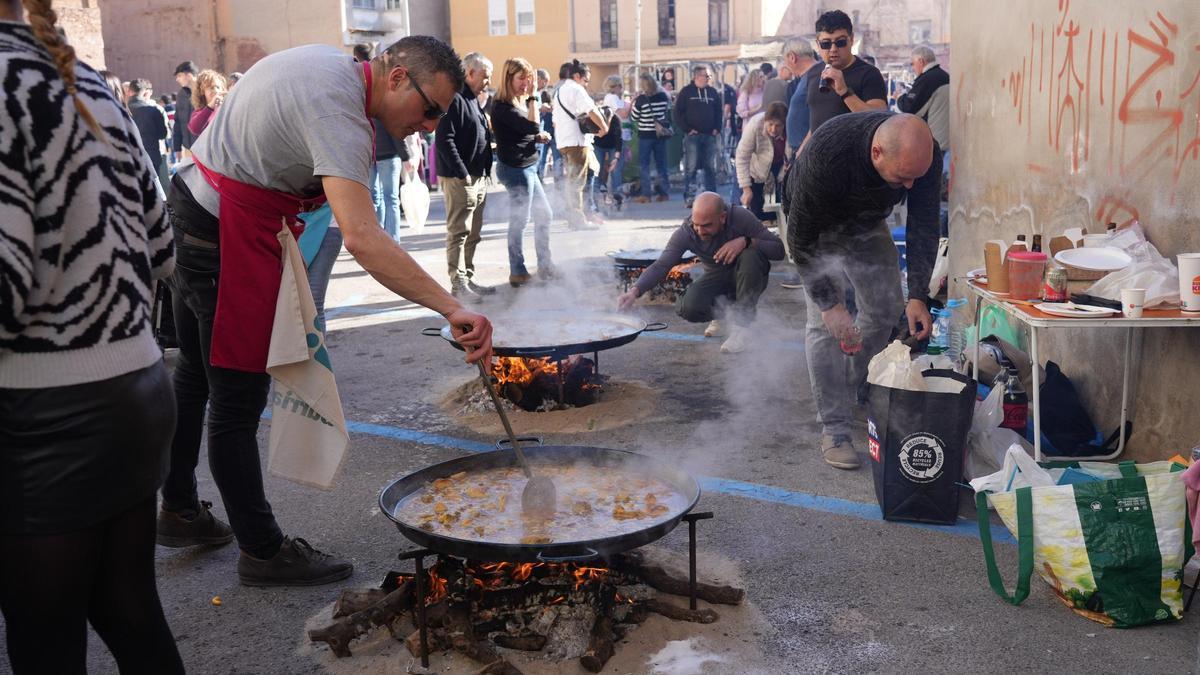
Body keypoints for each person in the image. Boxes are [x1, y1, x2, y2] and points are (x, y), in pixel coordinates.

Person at [162, 35, 494, 586]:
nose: (430, 126)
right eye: (429, 109)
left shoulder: (328, 63)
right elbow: (363, 238)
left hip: (196, 206)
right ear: (394, 77)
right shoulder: (341, 114)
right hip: (223, 232)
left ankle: (177, 509)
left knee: (195, 376)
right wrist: (450, 306)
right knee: (237, 399)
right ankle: (263, 552)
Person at [0, 1, 184, 671]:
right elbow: (163, 246)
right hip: (133, 389)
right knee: (130, 611)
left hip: (46, 412)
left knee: (45, 643)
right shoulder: (89, 81)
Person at [786, 112, 940, 470]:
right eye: (903, 178)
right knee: (824, 326)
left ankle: (856, 384)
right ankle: (835, 428)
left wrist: (918, 294)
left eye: (916, 178)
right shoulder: (830, 153)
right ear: (876, 153)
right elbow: (801, 239)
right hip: (815, 225)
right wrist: (830, 305)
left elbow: (924, 223)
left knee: (886, 307)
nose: (910, 187)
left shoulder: (921, 155)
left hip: (866, 223)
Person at [617, 192, 784, 353]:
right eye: (696, 224)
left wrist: (747, 241)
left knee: (750, 256)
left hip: (748, 273)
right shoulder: (686, 232)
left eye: (707, 225)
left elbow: (779, 250)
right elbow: (661, 265)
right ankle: (723, 313)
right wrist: (634, 291)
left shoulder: (740, 217)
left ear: (722, 217)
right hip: (717, 277)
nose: (700, 231)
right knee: (688, 306)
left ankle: (743, 327)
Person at [491, 57, 556, 287]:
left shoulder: (515, 103)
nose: (526, 84)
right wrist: (533, 98)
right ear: (508, 78)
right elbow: (531, 126)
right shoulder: (501, 105)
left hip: (527, 165)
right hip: (515, 169)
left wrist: (535, 136)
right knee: (520, 220)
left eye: (528, 79)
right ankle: (517, 270)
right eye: (521, 79)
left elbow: (523, 132)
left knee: (544, 215)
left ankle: (545, 264)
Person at [437, 51, 496, 300]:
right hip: (461, 178)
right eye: (485, 77)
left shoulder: (472, 99)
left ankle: (467, 278)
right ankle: (458, 283)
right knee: (459, 232)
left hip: (477, 177)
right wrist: (462, 173)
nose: (488, 82)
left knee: (473, 232)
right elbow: (444, 139)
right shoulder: (455, 99)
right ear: (470, 73)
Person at [799, 10, 887, 150]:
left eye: (840, 42)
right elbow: (816, 123)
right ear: (817, 44)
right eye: (826, 44)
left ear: (851, 40)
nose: (833, 49)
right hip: (818, 161)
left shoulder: (869, 74)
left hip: (852, 161)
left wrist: (845, 92)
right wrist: (799, 156)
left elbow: (878, 118)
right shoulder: (814, 73)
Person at [552, 59, 610, 229]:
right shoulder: (576, 89)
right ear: (577, 76)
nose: (586, 83)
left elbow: (555, 121)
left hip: (563, 141)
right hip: (576, 141)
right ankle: (578, 220)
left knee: (572, 181)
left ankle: (575, 217)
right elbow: (591, 110)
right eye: (586, 80)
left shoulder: (559, 91)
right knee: (577, 183)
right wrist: (604, 126)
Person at [674, 65, 722, 208]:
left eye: (709, 76)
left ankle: (712, 197)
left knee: (710, 167)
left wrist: (717, 128)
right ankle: (690, 197)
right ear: (696, 76)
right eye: (705, 76)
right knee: (691, 167)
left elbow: (719, 111)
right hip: (692, 136)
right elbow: (677, 113)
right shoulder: (686, 92)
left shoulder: (713, 92)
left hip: (710, 135)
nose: (708, 79)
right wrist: (687, 129)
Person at [898, 45, 950, 174]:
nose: (913, 67)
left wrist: (899, 97)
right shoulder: (945, 76)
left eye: (912, 63)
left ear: (921, 61)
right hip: (949, 140)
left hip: (935, 143)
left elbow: (909, 108)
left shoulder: (926, 80)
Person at [736, 101, 787, 221]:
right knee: (755, 213)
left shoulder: (790, 127)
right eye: (770, 124)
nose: (773, 129)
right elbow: (742, 156)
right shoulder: (754, 125)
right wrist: (746, 188)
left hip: (779, 170)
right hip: (756, 171)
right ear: (765, 121)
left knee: (780, 213)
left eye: (778, 125)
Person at [629, 73, 671, 203]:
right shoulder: (663, 97)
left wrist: (634, 101)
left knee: (644, 166)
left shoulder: (641, 99)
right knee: (661, 165)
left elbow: (634, 118)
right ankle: (664, 193)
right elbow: (666, 111)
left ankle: (646, 194)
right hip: (660, 135)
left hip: (645, 136)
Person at [592, 74, 627, 212]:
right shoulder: (597, 118)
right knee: (597, 169)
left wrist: (616, 158)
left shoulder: (616, 121)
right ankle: (597, 196)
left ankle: (618, 197)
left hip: (612, 145)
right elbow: (593, 137)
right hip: (599, 145)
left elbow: (619, 138)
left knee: (616, 170)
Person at [128, 78, 171, 188]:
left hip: (128, 155)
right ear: (146, 92)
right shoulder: (154, 110)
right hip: (151, 155)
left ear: (129, 92)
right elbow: (163, 134)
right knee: (152, 188)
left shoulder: (121, 109)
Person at [371, 121, 409, 242]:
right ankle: (393, 240)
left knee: (375, 198)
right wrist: (406, 156)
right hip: (389, 155)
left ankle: (378, 239)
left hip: (370, 155)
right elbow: (396, 130)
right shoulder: (386, 105)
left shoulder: (363, 105)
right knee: (391, 199)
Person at [784, 38, 818, 153]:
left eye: (785, 61)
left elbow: (820, 118)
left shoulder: (816, 75)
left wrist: (801, 151)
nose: (786, 67)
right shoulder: (808, 77)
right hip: (802, 149)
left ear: (792, 57)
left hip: (808, 151)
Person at [186, 68, 227, 138]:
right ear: (202, 91)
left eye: (218, 87)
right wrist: (211, 106)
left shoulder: (227, 107)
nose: (216, 91)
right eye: (211, 87)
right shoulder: (201, 112)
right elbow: (195, 129)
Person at [172, 60, 198, 159]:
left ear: (189, 75)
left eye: (179, 76)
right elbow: (177, 122)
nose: (177, 79)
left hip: (205, 148)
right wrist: (177, 147)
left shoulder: (205, 92)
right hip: (188, 150)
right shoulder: (181, 95)